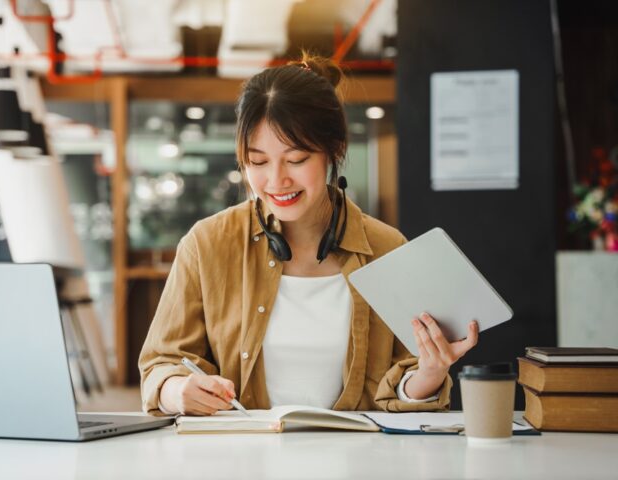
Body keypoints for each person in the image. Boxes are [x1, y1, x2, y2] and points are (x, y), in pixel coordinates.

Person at [139, 53, 479, 416]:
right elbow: (161, 363)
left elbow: (405, 382)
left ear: (333, 151)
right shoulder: (206, 244)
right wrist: (175, 391)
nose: (276, 180)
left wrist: (429, 372)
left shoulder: (388, 249)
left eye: (297, 159)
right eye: (258, 161)